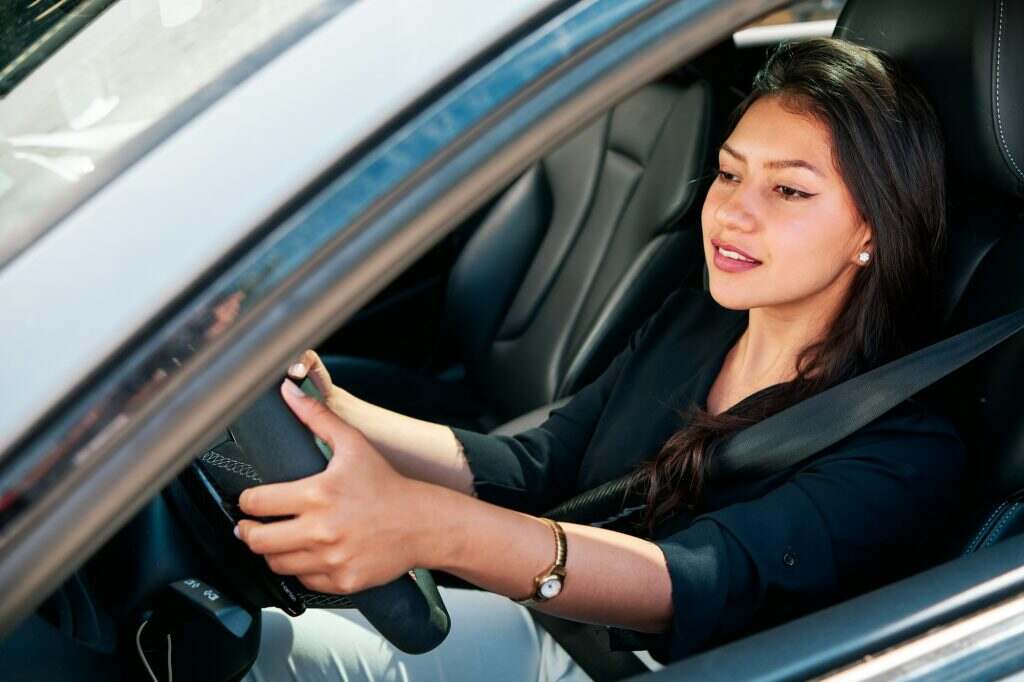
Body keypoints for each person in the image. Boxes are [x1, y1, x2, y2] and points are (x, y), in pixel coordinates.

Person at [238, 37, 964, 681]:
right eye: (729, 173)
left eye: (788, 190)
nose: (734, 211)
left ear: (872, 229)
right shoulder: (698, 321)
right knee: (244, 643)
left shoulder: (904, 448)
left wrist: (428, 526)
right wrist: (327, 406)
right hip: (554, 634)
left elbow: (694, 580)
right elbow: (540, 466)